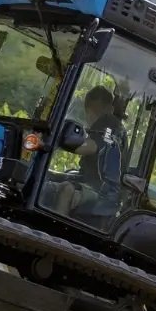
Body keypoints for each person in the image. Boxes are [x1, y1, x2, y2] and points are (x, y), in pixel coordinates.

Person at [53, 85, 127, 220]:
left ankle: (53, 234)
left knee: (66, 190)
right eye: (91, 112)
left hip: (105, 192)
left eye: (94, 112)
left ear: (109, 109)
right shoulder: (107, 126)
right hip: (90, 181)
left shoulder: (109, 124)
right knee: (50, 176)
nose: (91, 117)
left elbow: (90, 146)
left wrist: (58, 139)